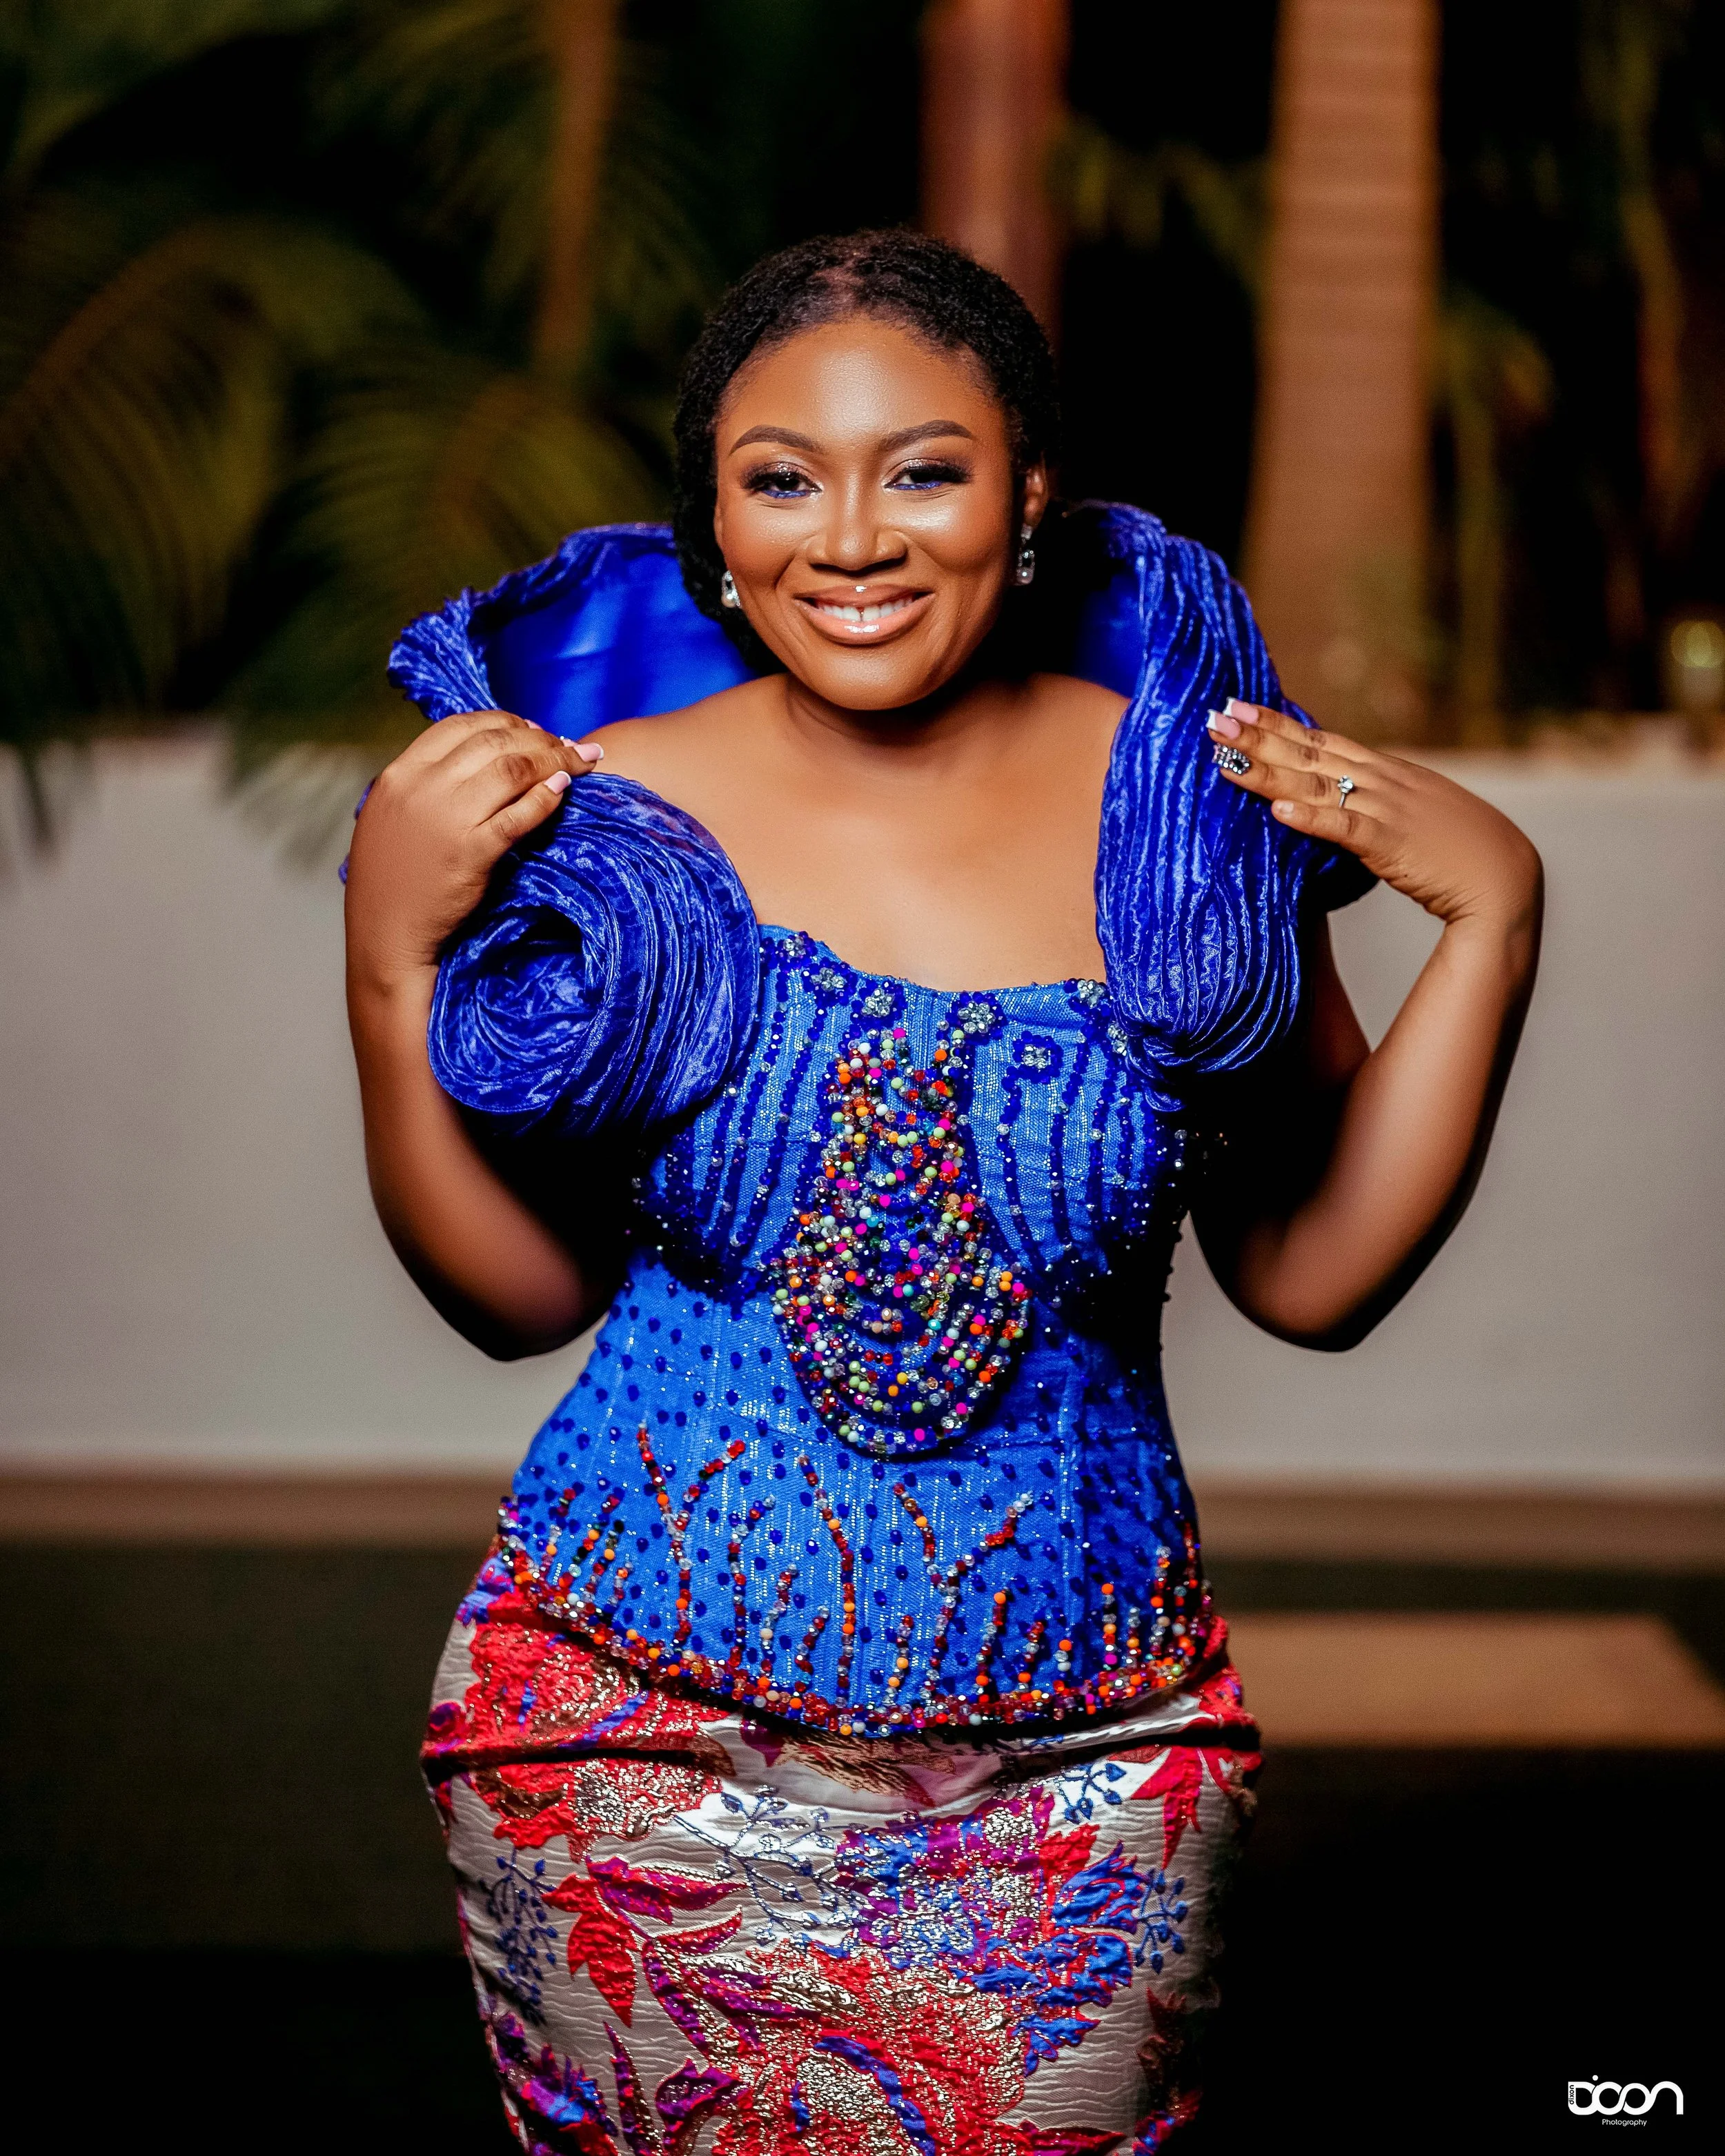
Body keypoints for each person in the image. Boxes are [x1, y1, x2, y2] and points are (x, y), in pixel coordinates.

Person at [344, 230, 1541, 2151]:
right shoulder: (599, 817)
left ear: (1027, 495)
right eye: (780, 477)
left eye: (923, 467)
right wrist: (391, 970)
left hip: (1091, 1762)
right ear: (715, 524)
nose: (852, 537)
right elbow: (515, 1296)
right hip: (622, 1737)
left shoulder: (1187, 805)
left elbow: (1311, 1276)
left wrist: (1490, 921)